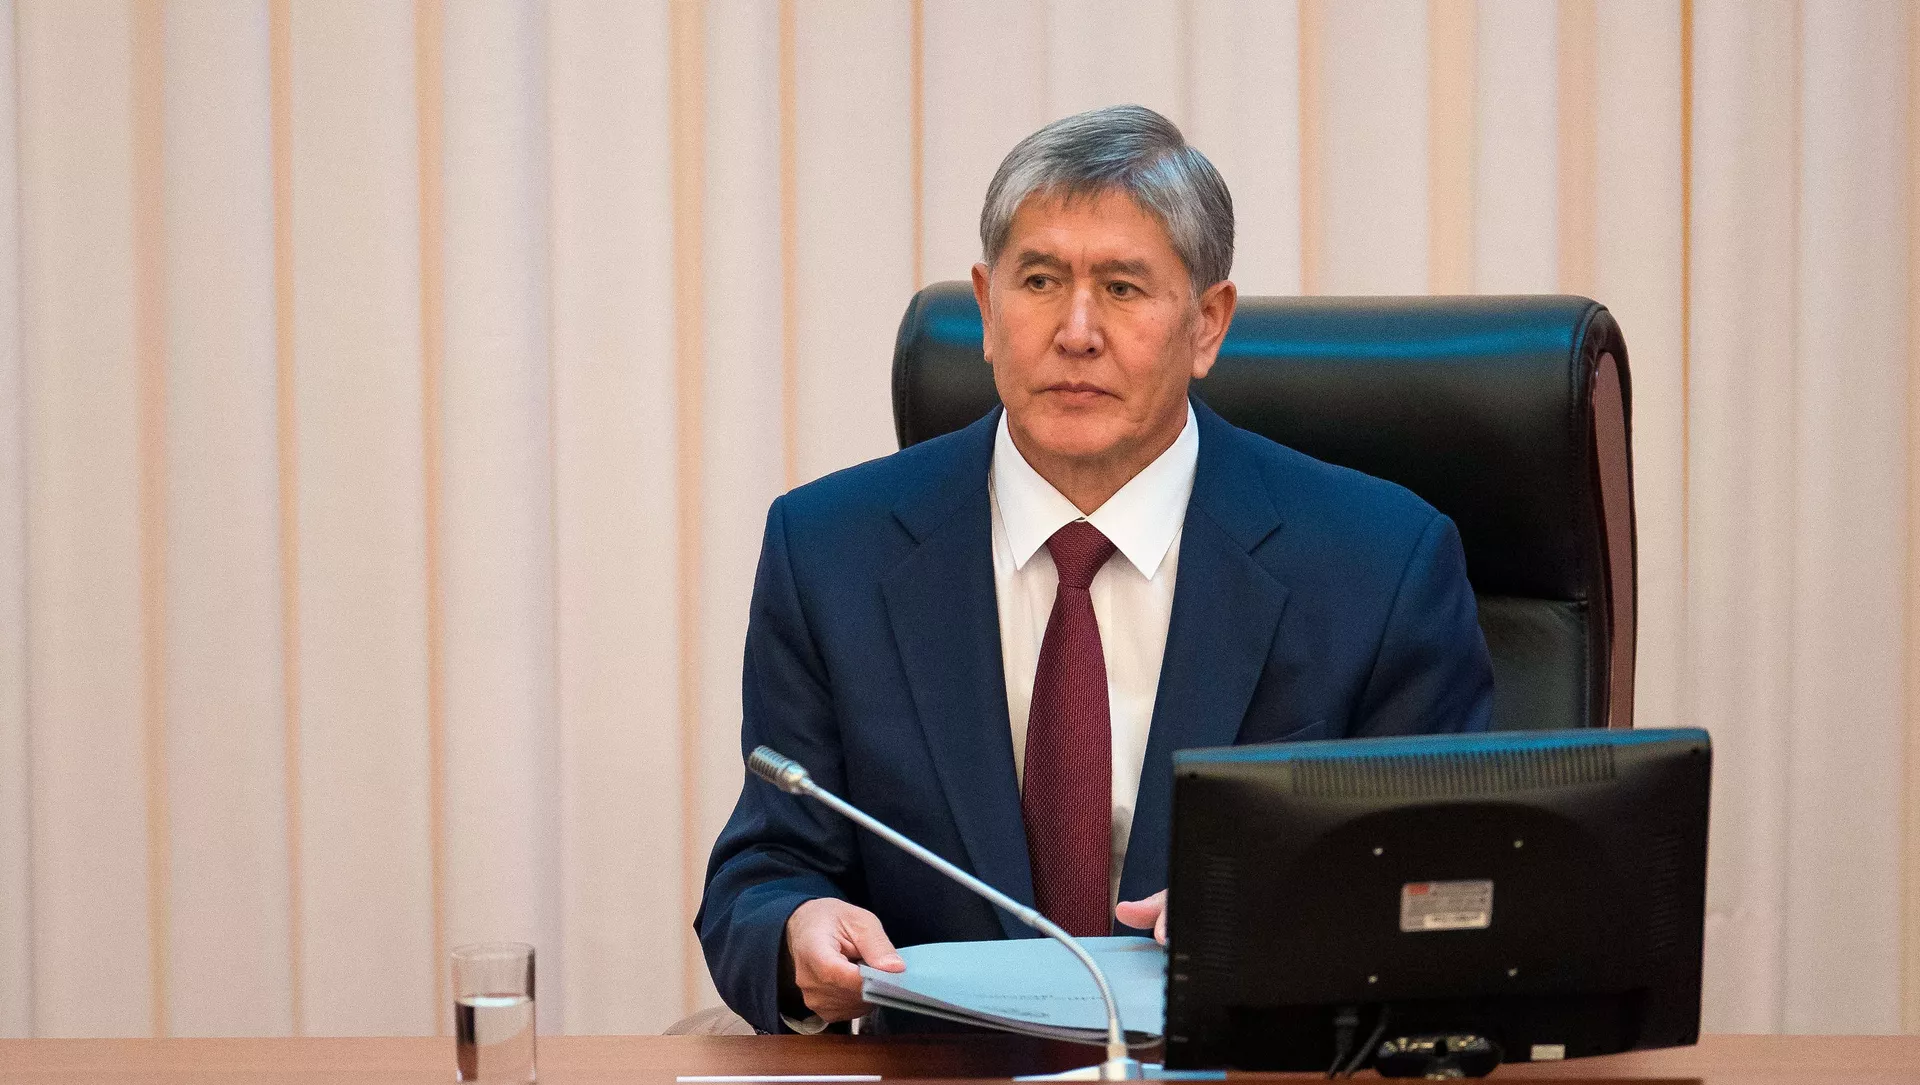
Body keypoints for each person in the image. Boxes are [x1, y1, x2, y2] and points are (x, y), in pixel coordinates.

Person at [696, 104, 1494, 1035]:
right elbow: (767, 870)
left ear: (1207, 324)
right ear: (987, 308)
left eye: (1122, 287)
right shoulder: (831, 550)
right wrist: (797, 930)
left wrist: (1288, 920)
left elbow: (1450, 888)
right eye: (1040, 281)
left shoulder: (1379, 563)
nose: (1076, 332)